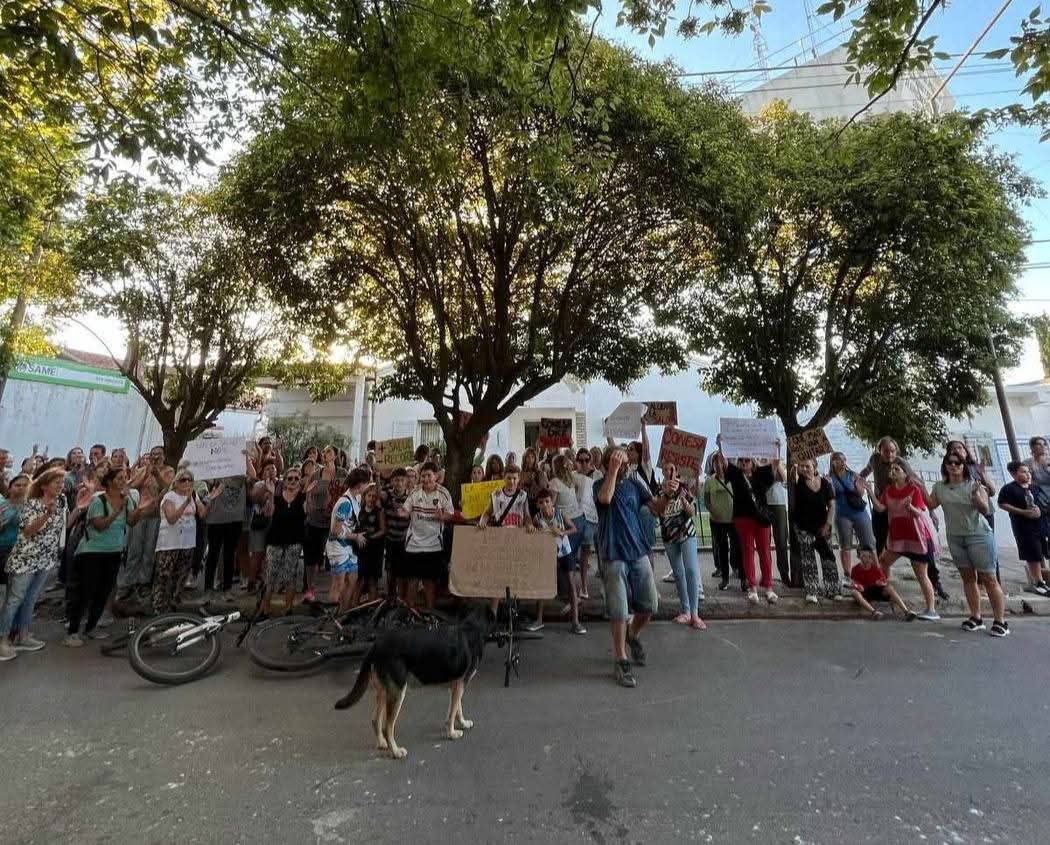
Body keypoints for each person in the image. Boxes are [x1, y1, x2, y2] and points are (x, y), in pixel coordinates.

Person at [594, 446, 671, 688]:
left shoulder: (634, 484)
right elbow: (605, 499)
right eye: (616, 459)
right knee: (618, 610)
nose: (623, 462)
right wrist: (613, 471)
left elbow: (657, 510)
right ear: (607, 464)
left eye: (623, 460)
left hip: (638, 551)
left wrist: (668, 494)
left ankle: (633, 634)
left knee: (649, 605)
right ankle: (620, 658)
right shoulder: (600, 485)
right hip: (613, 555)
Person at [0, 470, 87, 659]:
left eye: (61, 482)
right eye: (56, 482)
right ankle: (3, 639)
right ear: (44, 485)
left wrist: (79, 508)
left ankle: (22, 635)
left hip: (45, 558)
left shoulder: (62, 501)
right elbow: (28, 531)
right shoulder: (31, 504)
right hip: (26, 559)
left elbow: (64, 526)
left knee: (31, 599)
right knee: (15, 599)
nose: (60, 485)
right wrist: (46, 515)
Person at [66, 466, 156, 645]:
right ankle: (72, 631)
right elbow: (100, 525)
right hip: (91, 552)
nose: (124, 481)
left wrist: (140, 510)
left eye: (124, 477)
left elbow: (131, 522)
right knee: (85, 591)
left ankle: (90, 627)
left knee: (104, 591)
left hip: (114, 551)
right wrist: (117, 510)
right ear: (109, 482)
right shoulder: (98, 500)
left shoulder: (127, 500)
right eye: (119, 478)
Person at [861, 437, 948, 601]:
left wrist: (930, 511)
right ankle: (881, 586)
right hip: (884, 506)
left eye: (893, 451)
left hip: (905, 510)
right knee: (881, 545)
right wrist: (859, 478)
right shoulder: (874, 459)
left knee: (923, 554)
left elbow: (915, 480)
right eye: (886, 451)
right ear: (879, 451)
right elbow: (867, 470)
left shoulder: (901, 463)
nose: (890, 454)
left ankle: (935, 582)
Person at [929, 453, 1007, 637]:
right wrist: (913, 484)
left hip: (978, 535)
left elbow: (985, 509)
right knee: (968, 578)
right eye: (950, 463)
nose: (954, 466)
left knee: (989, 578)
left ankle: (1000, 621)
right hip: (955, 537)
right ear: (945, 466)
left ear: (964, 466)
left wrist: (976, 497)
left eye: (958, 463)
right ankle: (976, 617)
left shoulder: (974, 484)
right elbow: (930, 502)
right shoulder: (940, 487)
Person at [871, 464, 939, 621]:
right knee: (883, 561)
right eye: (892, 469)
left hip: (916, 536)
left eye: (897, 469)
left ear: (905, 474)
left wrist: (910, 507)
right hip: (897, 536)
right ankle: (885, 591)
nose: (893, 471)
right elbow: (881, 508)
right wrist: (869, 491)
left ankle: (931, 609)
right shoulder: (888, 491)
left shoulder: (914, 489)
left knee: (921, 574)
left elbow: (919, 513)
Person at [153, 469, 214, 614]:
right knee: (164, 576)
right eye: (183, 480)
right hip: (169, 543)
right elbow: (172, 518)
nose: (187, 482)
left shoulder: (193, 496)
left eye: (190, 480)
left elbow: (202, 514)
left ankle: (173, 606)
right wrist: (185, 502)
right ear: (176, 482)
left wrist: (211, 500)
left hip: (187, 543)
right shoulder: (170, 496)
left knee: (180, 576)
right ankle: (158, 607)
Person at [724, 452, 782, 604]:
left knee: (765, 552)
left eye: (747, 460)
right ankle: (752, 587)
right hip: (743, 518)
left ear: (753, 461)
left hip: (761, 519)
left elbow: (775, 464)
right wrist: (722, 447)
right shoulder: (735, 474)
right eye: (741, 460)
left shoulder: (761, 474)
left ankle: (768, 587)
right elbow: (723, 463)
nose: (744, 463)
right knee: (748, 552)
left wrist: (776, 448)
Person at [399, 462, 455, 609]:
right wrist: (403, 513)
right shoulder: (415, 492)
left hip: (434, 544)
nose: (426, 479)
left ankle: (430, 613)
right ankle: (408, 614)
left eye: (429, 475)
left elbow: (451, 515)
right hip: (414, 545)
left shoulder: (443, 493)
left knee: (430, 582)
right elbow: (405, 510)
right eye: (423, 476)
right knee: (413, 580)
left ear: (435, 476)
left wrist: (443, 516)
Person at [532, 489, 585, 634]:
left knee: (571, 584)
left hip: (564, 552)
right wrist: (533, 530)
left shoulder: (559, 513)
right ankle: (538, 620)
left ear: (552, 501)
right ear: (537, 504)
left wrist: (562, 532)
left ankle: (576, 622)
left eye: (547, 501)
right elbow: (531, 531)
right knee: (542, 584)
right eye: (541, 502)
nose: (545, 505)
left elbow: (574, 528)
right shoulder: (537, 518)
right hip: (547, 553)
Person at [204, 453, 256, 600]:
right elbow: (205, 476)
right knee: (213, 554)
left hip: (234, 520)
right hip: (215, 519)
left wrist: (246, 458)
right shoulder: (217, 473)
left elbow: (253, 475)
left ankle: (227, 589)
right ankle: (208, 588)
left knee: (229, 554)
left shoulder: (241, 474)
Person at [660, 463, 704, 630]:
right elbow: (659, 511)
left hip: (686, 533)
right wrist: (667, 494)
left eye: (672, 468)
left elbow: (692, 511)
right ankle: (685, 610)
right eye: (666, 468)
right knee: (678, 573)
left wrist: (682, 497)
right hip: (669, 536)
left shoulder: (684, 488)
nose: (669, 471)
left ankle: (695, 613)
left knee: (691, 570)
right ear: (662, 471)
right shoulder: (658, 489)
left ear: (677, 471)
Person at [790, 459, 840, 603]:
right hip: (804, 528)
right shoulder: (798, 481)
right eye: (802, 466)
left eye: (807, 466)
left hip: (822, 526)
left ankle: (833, 589)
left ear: (814, 466)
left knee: (828, 557)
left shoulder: (825, 483)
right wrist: (795, 467)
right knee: (808, 560)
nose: (805, 469)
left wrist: (828, 524)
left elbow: (832, 505)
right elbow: (793, 476)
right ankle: (812, 590)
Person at [998, 461, 1050, 596]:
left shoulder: (1035, 488)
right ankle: (1038, 581)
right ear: (1014, 474)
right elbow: (1002, 504)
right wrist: (1023, 512)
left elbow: (1044, 503)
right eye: (1023, 472)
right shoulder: (1009, 489)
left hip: (1040, 525)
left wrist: (1040, 510)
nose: (1027, 474)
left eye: (1028, 472)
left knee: (1041, 552)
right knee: (1033, 554)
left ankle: (1041, 581)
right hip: (1024, 527)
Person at [303, 445, 348, 602]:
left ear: (335, 456)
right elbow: (307, 493)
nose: (324, 454)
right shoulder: (316, 474)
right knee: (312, 559)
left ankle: (336, 594)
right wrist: (308, 503)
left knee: (337, 558)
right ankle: (310, 591)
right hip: (315, 521)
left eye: (328, 451)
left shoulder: (343, 474)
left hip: (335, 522)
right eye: (324, 451)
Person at [260, 467, 308, 616]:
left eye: (296, 478)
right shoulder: (278, 496)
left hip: (294, 541)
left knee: (290, 575)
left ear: (299, 480)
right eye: (289, 478)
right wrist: (270, 494)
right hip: (275, 540)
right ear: (285, 481)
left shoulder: (303, 497)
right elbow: (268, 512)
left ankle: (288, 609)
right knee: (270, 575)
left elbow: (308, 512)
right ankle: (265, 609)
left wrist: (309, 494)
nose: (293, 481)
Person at [327, 468, 373, 609]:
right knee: (338, 584)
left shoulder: (357, 498)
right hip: (338, 547)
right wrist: (355, 536)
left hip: (349, 547)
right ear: (360, 485)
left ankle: (343, 613)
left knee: (352, 580)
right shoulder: (345, 504)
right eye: (366, 483)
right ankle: (330, 619)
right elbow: (335, 530)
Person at [827, 452, 876, 576]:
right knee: (845, 545)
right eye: (838, 460)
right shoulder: (830, 478)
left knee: (869, 542)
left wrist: (859, 484)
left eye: (844, 460)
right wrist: (828, 484)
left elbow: (860, 493)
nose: (842, 462)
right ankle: (848, 574)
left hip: (858, 512)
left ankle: (874, 571)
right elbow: (830, 496)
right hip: (842, 514)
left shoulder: (853, 475)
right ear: (833, 462)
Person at [703, 453, 740, 592]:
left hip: (733, 521)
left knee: (738, 548)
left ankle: (743, 578)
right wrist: (712, 511)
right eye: (715, 463)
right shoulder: (709, 481)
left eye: (721, 462)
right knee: (722, 550)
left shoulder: (734, 477)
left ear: (726, 462)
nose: (718, 465)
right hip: (717, 521)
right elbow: (706, 500)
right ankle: (725, 579)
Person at [847, 547, 916, 620]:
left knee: (889, 588)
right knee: (854, 592)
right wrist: (858, 586)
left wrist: (882, 583)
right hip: (865, 591)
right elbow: (853, 582)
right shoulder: (855, 569)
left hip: (877, 590)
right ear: (858, 557)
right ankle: (874, 612)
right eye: (864, 556)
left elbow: (883, 581)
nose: (867, 559)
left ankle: (906, 611)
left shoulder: (876, 567)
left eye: (869, 556)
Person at [349, 483, 386, 606]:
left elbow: (382, 530)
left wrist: (370, 537)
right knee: (360, 579)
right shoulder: (359, 509)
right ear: (364, 496)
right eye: (369, 495)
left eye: (374, 496)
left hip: (374, 549)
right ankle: (354, 605)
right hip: (361, 549)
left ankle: (371, 607)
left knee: (372, 580)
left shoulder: (378, 511)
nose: (371, 498)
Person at [574, 448, 602, 599]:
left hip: (595, 517)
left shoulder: (597, 474)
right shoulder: (572, 476)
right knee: (584, 552)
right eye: (581, 460)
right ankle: (583, 586)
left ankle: (605, 586)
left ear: (590, 461)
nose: (584, 463)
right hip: (579, 517)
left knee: (601, 553)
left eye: (586, 460)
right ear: (576, 461)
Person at [382, 468, 411, 598]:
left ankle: (402, 599)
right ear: (392, 481)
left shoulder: (410, 497)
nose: (399, 483)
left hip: (405, 541)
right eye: (397, 480)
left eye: (402, 480)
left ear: (406, 482)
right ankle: (391, 597)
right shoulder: (388, 495)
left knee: (403, 573)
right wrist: (377, 476)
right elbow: (378, 493)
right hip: (391, 540)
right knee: (390, 572)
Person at [1025, 436, 1050, 575]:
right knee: (1041, 533)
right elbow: (1026, 481)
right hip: (1039, 501)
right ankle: (1043, 568)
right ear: (1032, 447)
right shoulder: (1028, 463)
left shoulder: (1049, 461)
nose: (1042, 446)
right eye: (1038, 444)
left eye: (1044, 444)